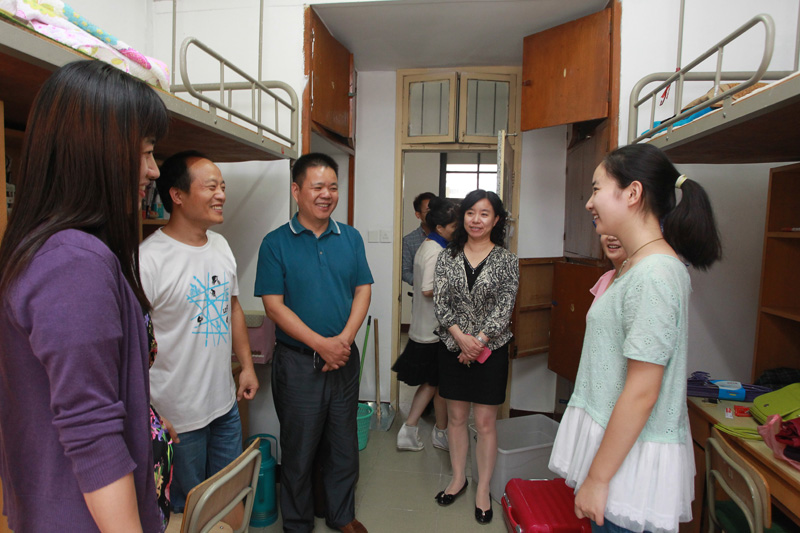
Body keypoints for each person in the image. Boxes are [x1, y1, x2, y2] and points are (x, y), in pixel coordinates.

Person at [0, 60, 169, 532]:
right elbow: (93, 435)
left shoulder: (51, 250)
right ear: (97, 153)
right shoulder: (74, 263)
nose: (153, 170)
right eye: (145, 152)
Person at [549, 143, 722, 533]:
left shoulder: (656, 273)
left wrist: (597, 479)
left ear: (632, 193)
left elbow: (643, 390)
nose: (589, 202)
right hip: (618, 452)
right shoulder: (634, 265)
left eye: (597, 189)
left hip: (629, 466)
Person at [255, 153, 373, 533]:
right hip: (298, 363)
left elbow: (363, 290)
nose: (327, 194)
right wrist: (322, 344)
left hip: (344, 358)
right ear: (296, 191)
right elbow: (273, 306)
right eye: (318, 187)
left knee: (343, 444)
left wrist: (343, 341)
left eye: (333, 187)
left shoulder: (350, 237)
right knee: (299, 449)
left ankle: (341, 515)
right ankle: (298, 524)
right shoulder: (275, 243)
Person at [140, 151, 260, 515]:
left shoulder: (220, 245)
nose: (221, 194)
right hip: (177, 417)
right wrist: (147, 412)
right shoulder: (148, 259)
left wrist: (247, 366)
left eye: (222, 186)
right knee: (186, 512)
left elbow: (232, 308)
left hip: (223, 406)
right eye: (211, 187)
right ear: (177, 195)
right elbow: (133, 343)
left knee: (226, 502)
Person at [432, 189, 519, 525]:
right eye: (470, 212)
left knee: (484, 423)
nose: (476, 220)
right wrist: (461, 339)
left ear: (496, 220)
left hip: (491, 350)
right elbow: (441, 303)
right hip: (452, 347)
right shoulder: (447, 257)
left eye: (484, 214)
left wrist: (478, 342)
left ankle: (482, 489)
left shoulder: (507, 260)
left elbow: (504, 308)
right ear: (462, 217)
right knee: (456, 418)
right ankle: (458, 479)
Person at [393, 197, 458, 452]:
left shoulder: (430, 245)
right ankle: (409, 429)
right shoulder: (435, 251)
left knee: (438, 383)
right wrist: (457, 289)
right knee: (432, 384)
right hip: (431, 330)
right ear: (440, 227)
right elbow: (428, 289)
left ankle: (440, 431)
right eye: (454, 226)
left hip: (428, 327)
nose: (457, 230)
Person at [402, 191, 436, 285]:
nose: (432, 214)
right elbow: (405, 271)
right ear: (418, 214)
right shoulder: (409, 241)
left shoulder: (448, 235)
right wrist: (421, 283)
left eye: (435, 210)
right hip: (421, 291)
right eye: (428, 211)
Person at [589, 234, 627, 306]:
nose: (611, 237)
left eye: (618, 231)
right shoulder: (606, 277)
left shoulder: (643, 279)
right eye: (606, 232)